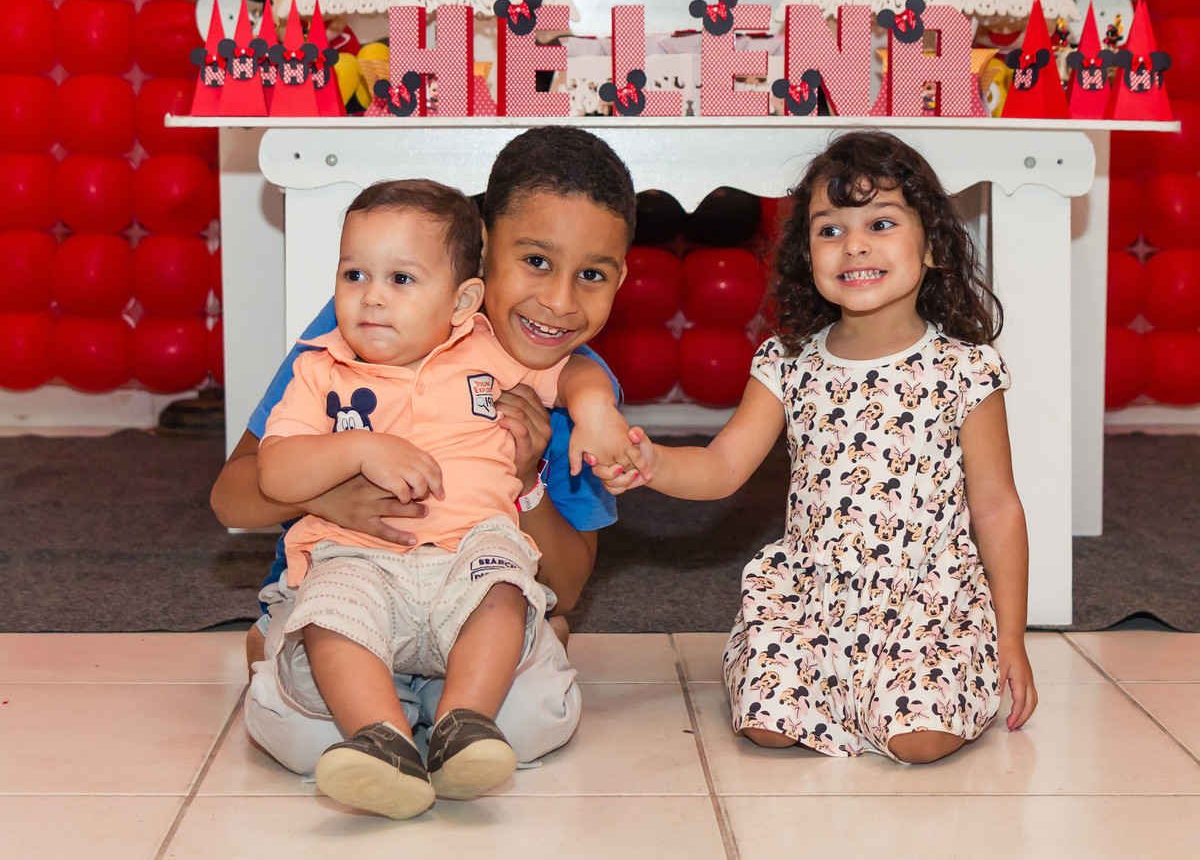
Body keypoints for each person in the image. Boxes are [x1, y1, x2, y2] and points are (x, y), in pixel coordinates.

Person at [209, 127, 636, 784]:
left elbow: (571, 584)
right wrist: (327, 495)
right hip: (350, 593)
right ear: (484, 251)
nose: (558, 302)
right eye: (536, 262)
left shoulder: (573, 396)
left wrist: (529, 480)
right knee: (303, 740)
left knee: (530, 722)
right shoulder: (364, 326)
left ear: (620, 279)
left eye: (591, 276)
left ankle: (454, 708)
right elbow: (231, 494)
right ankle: (356, 692)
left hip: (464, 604)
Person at [608, 130, 1037, 763]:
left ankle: (904, 694)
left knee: (920, 742)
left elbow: (997, 508)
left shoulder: (964, 369)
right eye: (830, 230)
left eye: (881, 222)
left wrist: (1012, 637)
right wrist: (654, 463)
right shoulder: (788, 363)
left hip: (927, 610)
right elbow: (724, 467)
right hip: (814, 606)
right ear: (805, 255)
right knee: (767, 726)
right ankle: (803, 678)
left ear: (935, 246)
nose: (854, 244)